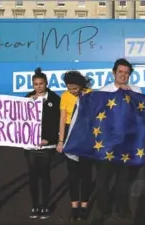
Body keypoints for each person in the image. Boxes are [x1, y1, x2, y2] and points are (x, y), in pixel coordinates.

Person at [90, 58, 142, 224]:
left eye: (126, 73)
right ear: (114, 73)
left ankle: (122, 208)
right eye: (120, 72)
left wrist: (130, 95)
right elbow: (95, 114)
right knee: (102, 181)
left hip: (126, 144)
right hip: (106, 145)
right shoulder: (104, 91)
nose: (123, 75)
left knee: (123, 181)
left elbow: (140, 114)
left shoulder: (136, 90)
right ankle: (103, 209)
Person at [56, 70, 93, 221]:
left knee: (85, 174)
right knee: (72, 174)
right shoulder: (65, 96)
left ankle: (84, 206)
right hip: (70, 136)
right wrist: (60, 140)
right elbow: (63, 117)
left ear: (81, 85)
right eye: (69, 88)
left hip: (86, 138)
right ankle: (74, 206)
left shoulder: (90, 94)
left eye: (75, 88)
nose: (72, 91)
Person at [24, 68, 61, 220]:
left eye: (41, 83)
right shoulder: (27, 98)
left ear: (46, 83)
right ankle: (35, 206)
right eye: (35, 84)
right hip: (31, 146)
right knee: (33, 177)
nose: (38, 86)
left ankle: (44, 205)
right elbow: (20, 121)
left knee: (44, 175)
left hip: (47, 146)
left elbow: (57, 123)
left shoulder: (54, 99)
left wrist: (50, 139)